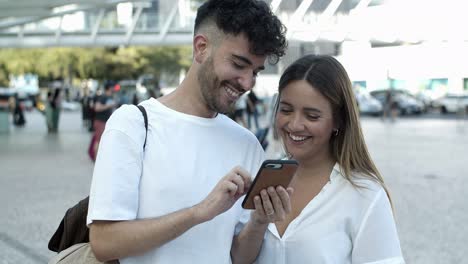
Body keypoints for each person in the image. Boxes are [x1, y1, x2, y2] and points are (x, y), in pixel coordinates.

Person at [87, 1, 289, 263]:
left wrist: (260, 220)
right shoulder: (133, 125)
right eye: (239, 64)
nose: (247, 83)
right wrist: (198, 213)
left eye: (255, 72)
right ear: (201, 48)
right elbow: (104, 242)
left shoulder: (246, 143)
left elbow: (238, 256)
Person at [233, 55, 405, 263]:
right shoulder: (265, 178)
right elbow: (239, 259)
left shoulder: (365, 194)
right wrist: (258, 221)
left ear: (338, 121)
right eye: (286, 110)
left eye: (312, 116)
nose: (295, 125)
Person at [88, 82, 115, 161]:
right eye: (113, 87)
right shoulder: (103, 97)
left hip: (105, 122)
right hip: (100, 122)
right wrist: (108, 106)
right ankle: (96, 160)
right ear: (109, 88)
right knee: (98, 141)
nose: (114, 88)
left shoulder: (110, 97)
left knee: (102, 141)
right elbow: (97, 108)